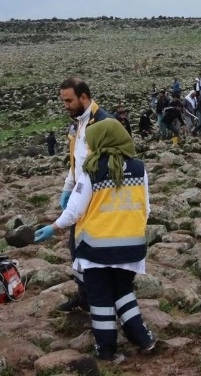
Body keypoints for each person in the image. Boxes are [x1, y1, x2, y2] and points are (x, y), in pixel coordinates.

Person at [34, 119, 157, 363]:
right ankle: (142, 337)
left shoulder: (92, 170)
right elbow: (147, 208)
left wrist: (53, 227)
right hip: (130, 246)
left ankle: (106, 348)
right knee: (123, 290)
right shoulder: (138, 168)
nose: (88, 148)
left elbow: (75, 211)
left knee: (100, 297)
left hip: (96, 248)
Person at [57, 78, 114, 311]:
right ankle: (85, 297)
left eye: (69, 100)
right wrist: (67, 189)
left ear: (84, 97)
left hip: (98, 200)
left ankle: (103, 299)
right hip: (80, 196)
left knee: (96, 251)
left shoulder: (103, 123)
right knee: (76, 249)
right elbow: (76, 161)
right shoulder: (76, 124)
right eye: (63, 101)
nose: (65, 106)